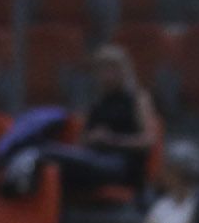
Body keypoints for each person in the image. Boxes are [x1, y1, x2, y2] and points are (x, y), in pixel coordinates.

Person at [65, 45, 160, 192]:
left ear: (125, 71)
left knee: (56, 159)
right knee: (53, 162)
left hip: (123, 164)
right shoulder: (97, 104)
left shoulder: (138, 99)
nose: (108, 74)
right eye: (103, 69)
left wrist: (111, 139)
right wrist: (93, 138)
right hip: (94, 159)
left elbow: (148, 141)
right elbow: (80, 142)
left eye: (113, 68)